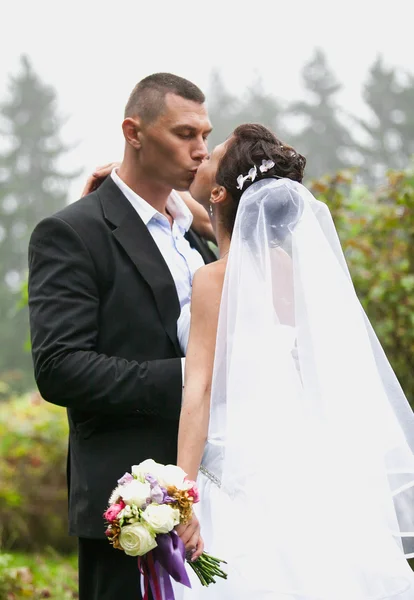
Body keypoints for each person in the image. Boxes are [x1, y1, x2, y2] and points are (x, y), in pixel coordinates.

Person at [175, 123, 414, 599]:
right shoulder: (294, 271)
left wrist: (179, 493)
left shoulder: (213, 279)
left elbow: (198, 387)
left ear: (219, 192)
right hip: (301, 468)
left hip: (229, 474)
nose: (203, 155)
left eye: (215, 153)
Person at [27, 72, 217, 600]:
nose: (200, 150)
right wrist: (191, 376)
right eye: (184, 134)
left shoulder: (195, 237)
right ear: (134, 132)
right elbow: (60, 368)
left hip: (216, 497)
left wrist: (206, 225)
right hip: (130, 507)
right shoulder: (72, 233)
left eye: (205, 135)